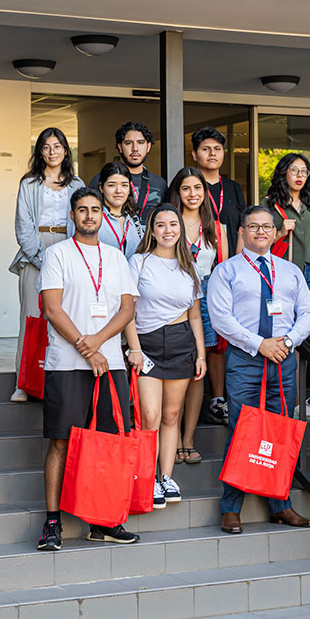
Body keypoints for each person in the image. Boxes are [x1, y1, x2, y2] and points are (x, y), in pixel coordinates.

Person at [36, 187, 140, 551]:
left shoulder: (116, 258)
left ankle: (103, 521)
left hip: (110, 364)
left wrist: (97, 344)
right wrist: (86, 346)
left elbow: (127, 310)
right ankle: (52, 522)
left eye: (96, 210)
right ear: (73, 215)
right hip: (66, 364)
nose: (90, 216)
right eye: (82, 210)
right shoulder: (57, 254)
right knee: (62, 440)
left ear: (102, 215)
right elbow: (52, 308)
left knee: (108, 443)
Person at [207, 206, 310, 535]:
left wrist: (287, 340)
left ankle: (280, 505)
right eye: (252, 226)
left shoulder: (290, 271)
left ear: (275, 232)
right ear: (240, 231)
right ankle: (231, 507)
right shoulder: (226, 271)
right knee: (242, 430)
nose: (260, 232)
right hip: (245, 358)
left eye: (266, 227)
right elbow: (221, 319)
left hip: (283, 359)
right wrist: (260, 344)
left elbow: (308, 312)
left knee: (280, 432)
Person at [123, 204, 207, 509]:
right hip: (147, 343)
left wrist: (201, 354)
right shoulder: (139, 262)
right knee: (150, 416)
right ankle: (146, 477)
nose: (168, 230)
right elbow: (127, 311)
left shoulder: (190, 266)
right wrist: (134, 348)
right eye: (161, 225)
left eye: (173, 224)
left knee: (172, 415)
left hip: (181, 342)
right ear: (152, 230)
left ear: (180, 229)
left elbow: (195, 314)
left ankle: (166, 477)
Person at [9, 127, 85, 403]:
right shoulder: (29, 183)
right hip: (35, 251)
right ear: (40, 152)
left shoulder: (77, 184)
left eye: (57, 146)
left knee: (65, 316)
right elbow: (23, 225)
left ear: (66, 150)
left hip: (68, 249)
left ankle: (58, 379)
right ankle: (24, 382)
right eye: (46, 147)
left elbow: (83, 220)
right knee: (32, 317)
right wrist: (42, 259)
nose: (52, 152)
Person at [169, 167, 229, 462]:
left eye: (197, 188)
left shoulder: (217, 228)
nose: (193, 194)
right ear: (177, 193)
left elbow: (225, 272)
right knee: (177, 369)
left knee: (197, 370)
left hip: (206, 300)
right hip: (174, 298)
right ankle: (173, 435)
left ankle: (188, 438)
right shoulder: (168, 223)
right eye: (186, 188)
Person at [264, 153, 310, 306]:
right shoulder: (269, 204)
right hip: (281, 271)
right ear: (283, 172)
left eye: (304, 171)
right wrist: (280, 233)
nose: (300, 175)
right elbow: (258, 241)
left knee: (309, 322)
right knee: (281, 322)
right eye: (294, 170)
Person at [88, 121, 167, 216]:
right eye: (128, 143)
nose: (135, 148)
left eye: (140, 143)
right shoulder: (102, 179)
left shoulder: (160, 183)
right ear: (120, 147)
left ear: (148, 147)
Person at [192, 127, 246, 255]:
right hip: (197, 263)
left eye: (217, 149)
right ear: (194, 154)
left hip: (231, 262)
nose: (212, 153)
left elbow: (242, 228)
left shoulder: (234, 188)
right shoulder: (188, 188)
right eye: (205, 149)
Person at [95, 161, 144, 256]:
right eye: (111, 185)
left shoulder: (134, 219)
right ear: (101, 187)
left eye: (124, 185)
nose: (118, 191)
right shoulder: (93, 219)